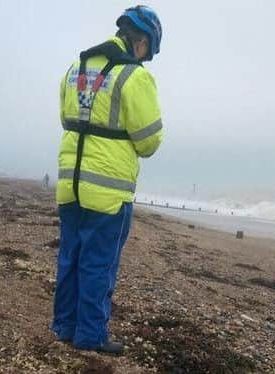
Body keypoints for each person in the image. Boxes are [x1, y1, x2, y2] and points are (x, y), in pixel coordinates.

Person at [52, 5, 164, 354]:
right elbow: (149, 141)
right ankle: (90, 336)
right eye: (150, 50)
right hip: (108, 191)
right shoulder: (135, 76)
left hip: (70, 184)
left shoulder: (76, 67)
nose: (147, 57)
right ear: (142, 41)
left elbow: (64, 116)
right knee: (99, 264)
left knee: (70, 256)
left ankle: (64, 328)